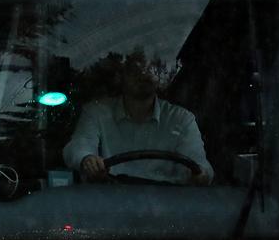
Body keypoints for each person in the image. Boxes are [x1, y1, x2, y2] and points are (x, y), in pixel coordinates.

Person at [63, 53, 213, 185]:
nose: (143, 73)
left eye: (151, 68)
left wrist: (201, 176)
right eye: (135, 69)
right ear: (122, 75)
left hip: (168, 208)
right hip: (108, 203)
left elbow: (200, 166)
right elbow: (78, 147)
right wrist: (88, 160)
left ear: (160, 76)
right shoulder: (96, 112)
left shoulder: (181, 119)